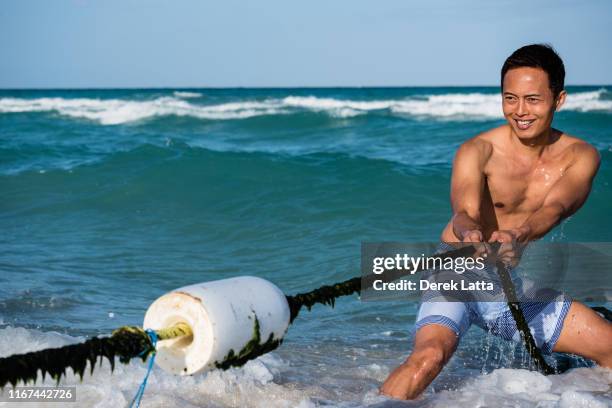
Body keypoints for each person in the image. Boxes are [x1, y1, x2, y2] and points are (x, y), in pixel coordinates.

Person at [380, 44, 612, 400]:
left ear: (559, 99)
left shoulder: (580, 156)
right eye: (510, 98)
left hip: (509, 287)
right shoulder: (478, 149)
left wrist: (519, 234)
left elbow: (556, 207)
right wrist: (470, 231)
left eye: (533, 99)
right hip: (456, 272)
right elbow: (463, 209)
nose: (520, 111)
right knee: (427, 358)